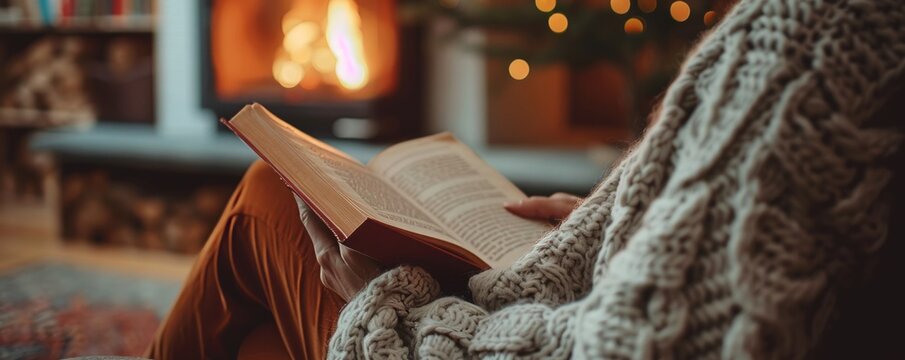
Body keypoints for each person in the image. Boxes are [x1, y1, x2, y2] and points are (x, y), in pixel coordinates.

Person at [149, 0, 905, 358]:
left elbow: (649, 347)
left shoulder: (824, 35)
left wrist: (381, 306)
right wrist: (621, 224)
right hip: (571, 293)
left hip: (477, 338)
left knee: (264, 201)